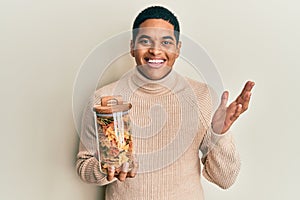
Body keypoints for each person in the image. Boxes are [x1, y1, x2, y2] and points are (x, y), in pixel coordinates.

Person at [76, 6, 255, 200]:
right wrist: (107, 168)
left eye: (166, 42)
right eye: (145, 41)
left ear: (178, 49)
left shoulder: (203, 96)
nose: (155, 50)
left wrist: (219, 134)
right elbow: (84, 166)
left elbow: (225, 179)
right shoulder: (104, 98)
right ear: (132, 47)